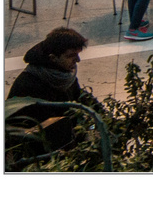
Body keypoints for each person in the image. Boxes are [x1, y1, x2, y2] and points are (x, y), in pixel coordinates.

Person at [7, 28, 99, 156]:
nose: (77, 60)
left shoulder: (62, 74)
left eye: (78, 54)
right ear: (53, 58)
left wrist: (100, 117)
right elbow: (52, 128)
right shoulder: (30, 85)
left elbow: (79, 97)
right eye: (71, 56)